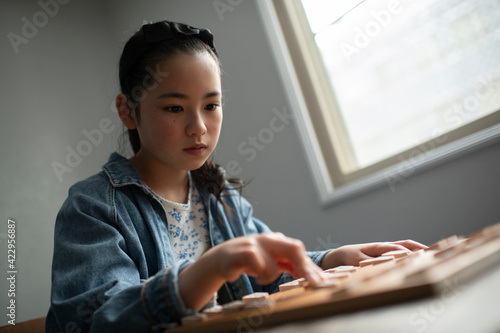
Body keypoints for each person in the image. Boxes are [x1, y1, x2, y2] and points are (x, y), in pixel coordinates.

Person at [46, 20, 426, 333]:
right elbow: (96, 324)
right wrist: (208, 270)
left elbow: (266, 274)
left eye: (211, 105)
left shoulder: (219, 195)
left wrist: (331, 259)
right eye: (175, 107)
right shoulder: (93, 206)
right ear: (128, 111)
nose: (199, 128)